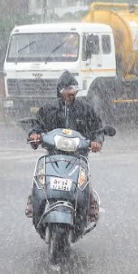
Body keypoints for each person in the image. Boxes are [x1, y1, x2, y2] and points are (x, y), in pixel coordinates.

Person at [26, 71, 104, 221]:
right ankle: (33, 197)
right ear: (60, 91)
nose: (71, 92)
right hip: (54, 155)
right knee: (40, 177)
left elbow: (97, 128)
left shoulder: (85, 109)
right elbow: (37, 125)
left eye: (73, 88)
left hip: (77, 156)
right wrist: (34, 135)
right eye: (67, 89)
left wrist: (97, 141)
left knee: (83, 178)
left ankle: (90, 199)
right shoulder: (48, 109)